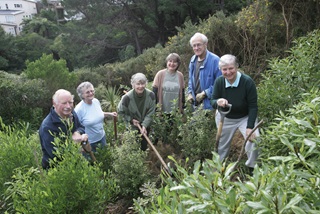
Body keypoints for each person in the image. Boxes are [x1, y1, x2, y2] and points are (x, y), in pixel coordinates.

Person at [211, 54, 260, 172]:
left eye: (231, 68)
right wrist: (218, 101)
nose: (228, 72)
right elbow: (213, 101)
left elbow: (253, 107)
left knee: (254, 139)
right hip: (225, 118)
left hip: (245, 117)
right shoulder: (219, 82)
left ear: (237, 67)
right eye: (224, 69)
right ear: (220, 70)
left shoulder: (247, 82)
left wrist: (249, 127)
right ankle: (219, 171)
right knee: (222, 146)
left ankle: (252, 168)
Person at [39, 89, 88, 169]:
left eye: (70, 102)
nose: (68, 106)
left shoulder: (71, 113)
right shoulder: (47, 126)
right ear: (54, 103)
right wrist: (75, 144)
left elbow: (81, 127)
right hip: (57, 170)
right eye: (64, 103)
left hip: (75, 162)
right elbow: (54, 154)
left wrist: (77, 132)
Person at [75, 82, 117, 152]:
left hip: (102, 137)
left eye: (92, 91)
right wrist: (80, 144)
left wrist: (110, 114)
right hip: (90, 143)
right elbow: (75, 128)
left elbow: (99, 114)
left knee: (105, 159)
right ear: (82, 95)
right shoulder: (79, 110)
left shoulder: (96, 101)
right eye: (87, 92)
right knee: (92, 162)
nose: (91, 93)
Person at [117, 73, 156, 151]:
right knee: (133, 147)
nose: (140, 86)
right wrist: (131, 119)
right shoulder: (126, 98)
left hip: (146, 126)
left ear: (146, 84)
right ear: (133, 84)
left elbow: (151, 112)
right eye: (138, 84)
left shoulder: (151, 95)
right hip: (132, 127)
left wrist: (144, 125)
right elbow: (120, 113)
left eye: (143, 83)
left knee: (144, 146)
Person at [187, 32, 222, 110]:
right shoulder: (193, 60)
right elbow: (190, 80)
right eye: (194, 45)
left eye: (199, 45)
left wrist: (205, 93)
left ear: (205, 44)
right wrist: (189, 93)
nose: (196, 48)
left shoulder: (215, 60)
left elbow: (220, 84)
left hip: (210, 105)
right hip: (196, 105)